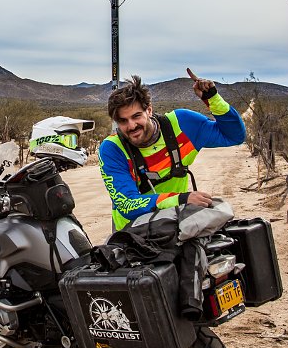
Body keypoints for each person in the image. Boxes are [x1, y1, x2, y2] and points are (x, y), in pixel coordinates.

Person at [98, 68, 246, 231]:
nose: (131, 126)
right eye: (123, 121)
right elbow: (127, 204)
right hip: (132, 234)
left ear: (149, 110)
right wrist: (182, 199)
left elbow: (235, 136)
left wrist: (212, 99)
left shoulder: (182, 124)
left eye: (136, 116)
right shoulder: (112, 148)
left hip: (177, 226)